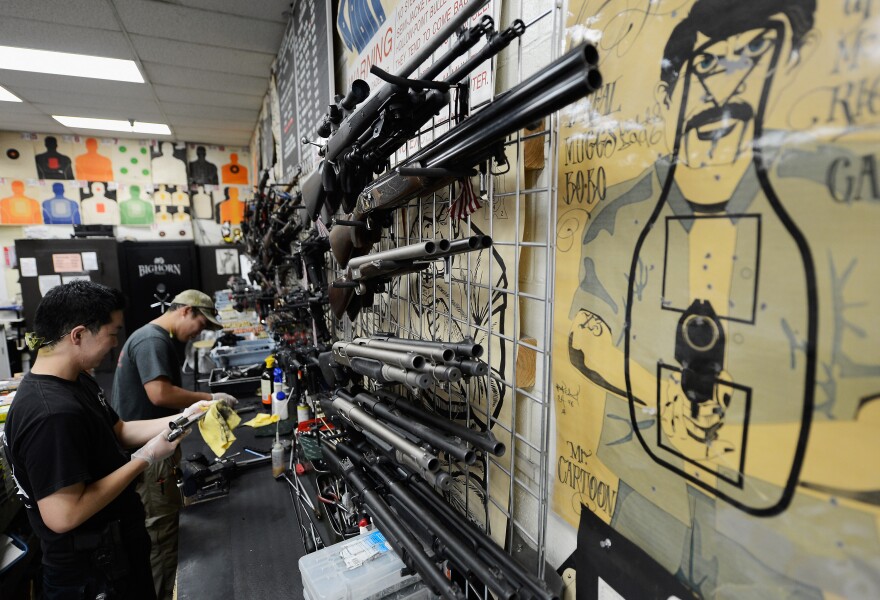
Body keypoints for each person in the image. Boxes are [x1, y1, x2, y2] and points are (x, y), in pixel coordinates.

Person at [1, 280, 212, 598]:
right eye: (112, 334)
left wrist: (184, 416)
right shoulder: (50, 413)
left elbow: (119, 431)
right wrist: (144, 459)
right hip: (92, 576)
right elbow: (63, 516)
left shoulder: (77, 381)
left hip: (117, 555)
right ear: (79, 334)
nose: (115, 344)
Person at [111, 289, 237, 600]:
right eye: (200, 324)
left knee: (164, 524)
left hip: (152, 446)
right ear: (185, 312)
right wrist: (208, 399)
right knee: (162, 533)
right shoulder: (153, 340)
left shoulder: (152, 336)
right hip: (149, 453)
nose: (199, 332)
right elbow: (159, 394)